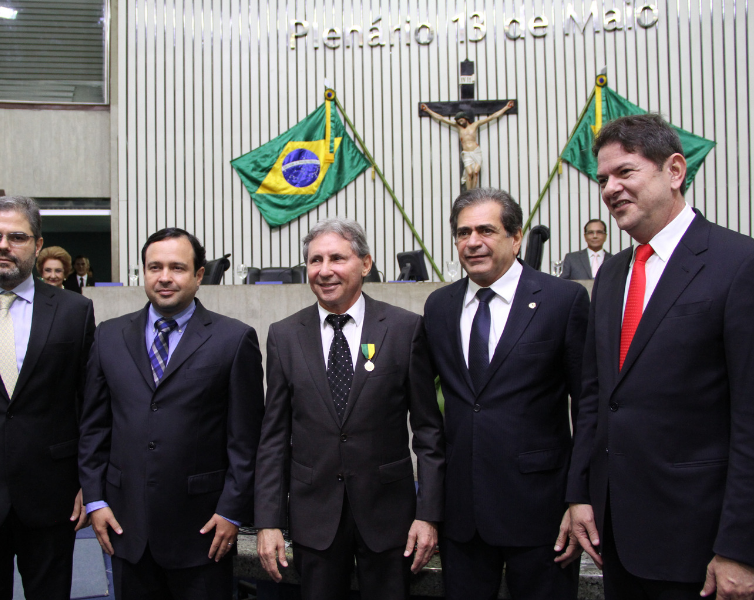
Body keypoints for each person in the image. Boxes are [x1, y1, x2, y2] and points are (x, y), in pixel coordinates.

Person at [566, 113, 754, 600]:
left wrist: (740, 548)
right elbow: (596, 397)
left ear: (674, 170)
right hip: (615, 537)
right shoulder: (612, 275)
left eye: (625, 172)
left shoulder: (739, 263)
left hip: (700, 545)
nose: (610, 189)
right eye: (602, 179)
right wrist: (580, 493)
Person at [255, 218, 445, 600]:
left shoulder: (405, 329)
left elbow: (428, 432)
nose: (324, 271)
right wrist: (268, 521)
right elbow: (273, 438)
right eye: (315, 260)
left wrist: (428, 515)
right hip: (314, 519)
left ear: (365, 263)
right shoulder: (284, 335)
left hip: (389, 519)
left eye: (337, 258)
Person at [78, 227, 264, 600]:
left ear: (199, 275)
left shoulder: (233, 339)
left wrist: (232, 511)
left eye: (177, 268)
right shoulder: (109, 336)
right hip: (125, 525)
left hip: (203, 530)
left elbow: (246, 440)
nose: (164, 277)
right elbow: (94, 427)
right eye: (155, 267)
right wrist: (95, 499)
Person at [423, 188, 589, 599]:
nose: (472, 242)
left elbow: (589, 407)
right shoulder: (439, 307)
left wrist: (580, 497)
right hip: (462, 516)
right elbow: (429, 412)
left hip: (541, 512)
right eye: (463, 233)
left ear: (516, 238)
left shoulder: (562, 300)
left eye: (486, 230)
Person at [0, 195, 95, 600]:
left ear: (37, 244)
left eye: (17, 237)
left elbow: (89, 403)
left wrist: (89, 482)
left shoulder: (74, 311)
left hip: (52, 496)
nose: (3, 245)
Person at [421, 101, 515, 190]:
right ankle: (469, 192)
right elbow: (441, 118)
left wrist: (506, 107)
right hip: (466, 153)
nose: (460, 122)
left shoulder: (475, 125)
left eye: (462, 120)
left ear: (466, 119)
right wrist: (428, 110)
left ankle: (473, 191)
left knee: (476, 172)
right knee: (469, 173)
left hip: (476, 151)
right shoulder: (458, 127)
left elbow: (492, 117)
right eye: (459, 121)